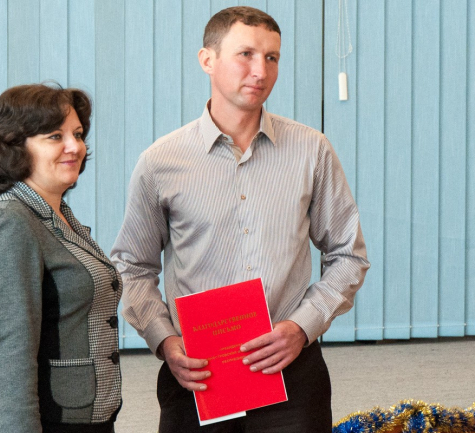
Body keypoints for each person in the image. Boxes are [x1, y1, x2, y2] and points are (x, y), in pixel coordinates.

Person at [111, 6, 369, 433]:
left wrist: (301, 327)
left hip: (291, 370)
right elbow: (132, 266)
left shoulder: (312, 150)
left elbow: (348, 255)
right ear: (207, 60)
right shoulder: (160, 162)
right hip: (197, 374)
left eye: (272, 57)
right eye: (245, 54)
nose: (260, 71)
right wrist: (165, 340)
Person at [0, 83, 122, 433]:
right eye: (55, 136)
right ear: (15, 147)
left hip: (78, 419)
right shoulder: (9, 222)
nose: (75, 146)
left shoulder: (57, 215)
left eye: (77, 134)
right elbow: (8, 358)